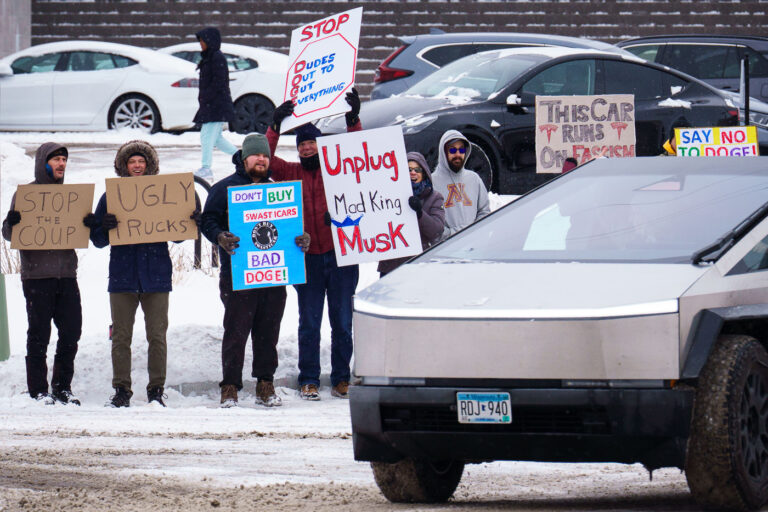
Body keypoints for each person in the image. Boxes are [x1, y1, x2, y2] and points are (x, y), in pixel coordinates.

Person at [201, 133, 310, 408]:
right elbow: (208, 220)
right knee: (236, 331)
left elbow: (290, 226)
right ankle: (229, 386)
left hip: (273, 274)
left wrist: (300, 239)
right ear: (244, 157)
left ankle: (265, 382)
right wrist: (220, 236)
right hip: (239, 274)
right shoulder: (225, 188)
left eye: (265, 155)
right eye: (255, 155)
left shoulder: (280, 190)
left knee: (268, 331)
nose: (261, 159)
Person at [87, 140, 198, 408]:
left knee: (157, 335)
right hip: (122, 276)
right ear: (124, 166)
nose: (137, 166)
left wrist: (191, 218)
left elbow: (179, 236)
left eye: (141, 161)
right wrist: (101, 225)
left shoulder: (163, 193)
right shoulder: (111, 196)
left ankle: (156, 390)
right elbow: (99, 240)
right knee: (121, 336)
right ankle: (121, 390)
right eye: (132, 161)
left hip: (156, 274)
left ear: (149, 164)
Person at [268, 88, 362, 401]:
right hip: (305, 258)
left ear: (320, 146)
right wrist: (274, 126)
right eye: (303, 145)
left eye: (312, 143)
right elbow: (264, 162)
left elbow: (361, 154)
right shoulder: (290, 173)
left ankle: (341, 378)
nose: (307, 148)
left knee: (343, 323)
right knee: (309, 323)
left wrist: (352, 120)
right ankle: (308, 378)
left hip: (341, 256)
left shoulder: (337, 170)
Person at [1, 143, 83, 405]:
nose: (61, 164)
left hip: (67, 275)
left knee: (71, 331)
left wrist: (89, 223)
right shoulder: (27, 195)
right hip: (37, 277)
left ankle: (62, 388)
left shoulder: (72, 198)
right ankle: (38, 390)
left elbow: (82, 231)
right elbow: (9, 234)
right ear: (43, 163)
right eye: (56, 159)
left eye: (64, 160)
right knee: (39, 334)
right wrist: (10, 223)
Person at [378, 152, 445, 276]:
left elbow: (437, 230)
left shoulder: (435, 197)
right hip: (391, 267)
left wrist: (420, 213)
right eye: (408, 169)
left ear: (424, 173)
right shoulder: (388, 197)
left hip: (419, 267)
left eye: (417, 169)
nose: (413, 173)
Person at [193, 27, 237, 184]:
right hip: (212, 105)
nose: (200, 44)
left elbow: (219, 82)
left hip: (215, 105)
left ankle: (206, 168)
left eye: (202, 41)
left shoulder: (216, 57)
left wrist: (207, 98)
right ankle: (242, 158)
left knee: (206, 136)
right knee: (216, 139)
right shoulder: (209, 57)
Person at [431, 130, 490, 240]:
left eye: (461, 150)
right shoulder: (432, 182)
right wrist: (451, 236)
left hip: (474, 245)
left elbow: (484, 210)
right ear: (444, 152)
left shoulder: (474, 179)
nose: (458, 154)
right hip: (445, 248)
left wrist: (475, 232)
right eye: (453, 150)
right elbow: (432, 223)